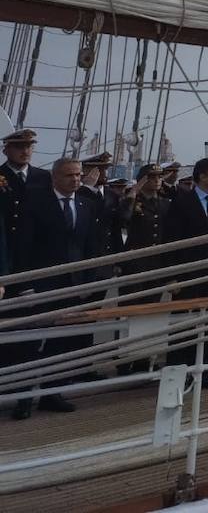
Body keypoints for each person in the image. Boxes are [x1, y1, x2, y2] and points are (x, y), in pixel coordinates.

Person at [10, 157, 106, 419]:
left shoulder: (86, 205)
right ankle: (23, 397)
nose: (75, 179)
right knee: (30, 344)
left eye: (78, 175)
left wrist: (88, 282)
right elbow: (23, 248)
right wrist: (24, 285)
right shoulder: (36, 206)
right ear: (54, 178)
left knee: (63, 342)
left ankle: (52, 393)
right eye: (69, 176)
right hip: (42, 286)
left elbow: (91, 248)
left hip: (73, 286)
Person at [163, 157, 208, 387]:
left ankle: (204, 372)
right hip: (188, 274)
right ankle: (178, 376)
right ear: (202, 176)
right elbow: (171, 239)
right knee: (184, 327)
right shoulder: (181, 202)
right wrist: (172, 276)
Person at [118, 164, 168, 280]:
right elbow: (123, 220)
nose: (157, 180)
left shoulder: (165, 203)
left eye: (160, 177)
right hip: (135, 261)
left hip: (158, 261)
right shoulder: (132, 202)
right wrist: (132, 195)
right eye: (152, 177)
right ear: (142, 180)